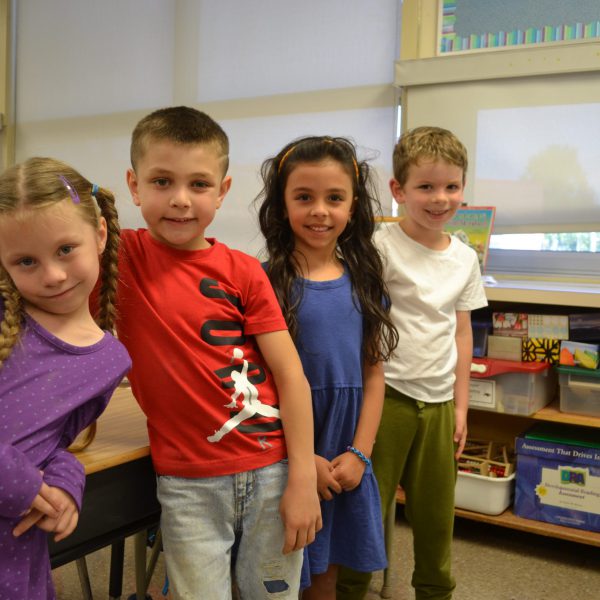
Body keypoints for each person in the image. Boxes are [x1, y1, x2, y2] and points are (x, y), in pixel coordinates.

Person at [116, 106, 321, 599]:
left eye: (200, 185)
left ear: (223, 190)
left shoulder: (243, 270)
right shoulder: (120, 257)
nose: (181, 200)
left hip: (272, 470)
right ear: (134, 184)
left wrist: (303, 479)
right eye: (162, 181)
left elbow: (291, 376)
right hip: (188, 483)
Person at [337, 126, 488, 600]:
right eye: (425, 187)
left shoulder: (464, 258)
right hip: (387, 397)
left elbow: (462, 335)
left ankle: (435, 590)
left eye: (451, 186)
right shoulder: (378, 246)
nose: (440, 198)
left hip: (440, 402)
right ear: (399, 191)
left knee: (437, 514)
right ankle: (351, 589)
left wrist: (462, 408)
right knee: (367, 509)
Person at [256, 135, 399, 599]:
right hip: (284, 448)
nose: (320, 210)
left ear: (353, 206)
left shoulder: (364, 280)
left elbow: (373, 374)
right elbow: (256, 384)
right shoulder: (262, 283)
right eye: (304, 197)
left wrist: (360, 453)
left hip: (343, 449)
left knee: (325, 570)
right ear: (281, 206)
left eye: (334, 198)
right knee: (275, 570)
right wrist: (300, 459)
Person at [0, 157, 131, 599]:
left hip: (15, 553)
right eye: (25, 262)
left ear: (99, 234)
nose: (52, 276)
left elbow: (56, 443)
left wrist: (67, 482)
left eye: (64, 250)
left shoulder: (109, 361)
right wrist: (13, 479)